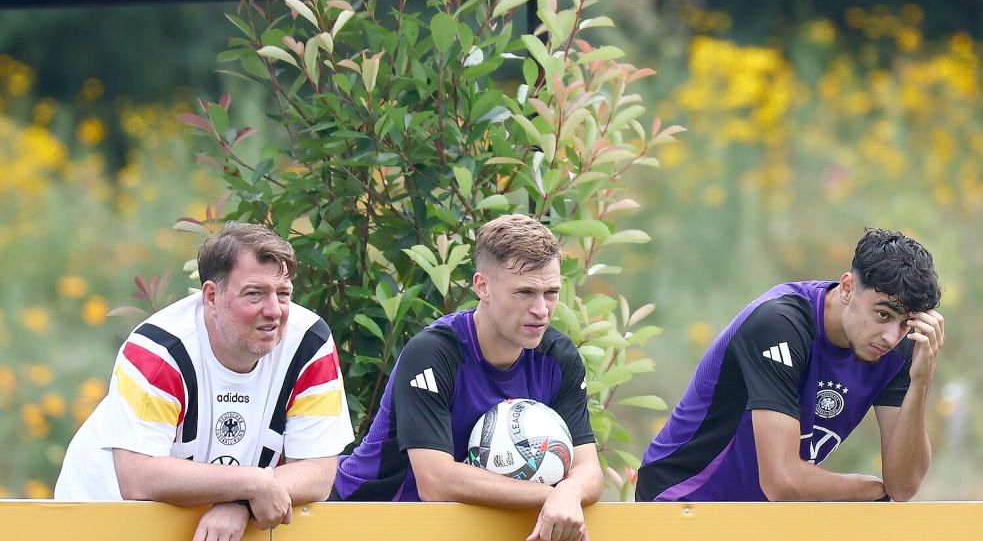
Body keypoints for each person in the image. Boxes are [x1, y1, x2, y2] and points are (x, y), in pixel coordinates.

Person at [56, 222, 355, 541]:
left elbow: (319, 472)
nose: (274, 311)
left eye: (283, 294)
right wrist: (253, 484)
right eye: (254, 294)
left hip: (209, 520)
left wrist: (243, 502)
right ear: (212, 295)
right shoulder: (157, 350)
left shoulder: (310, 343)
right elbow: (137, 478)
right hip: (105, 516)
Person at [331, 214, 604, 541]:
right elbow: (436, 482)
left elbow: (589, 470)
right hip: (362, 521)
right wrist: (553, 495)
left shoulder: (559, 357)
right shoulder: (433, 353)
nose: (541, 309)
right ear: (482, 286)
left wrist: (571, 490)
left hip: (458, 528)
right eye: (524, 292)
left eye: (551, 293)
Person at [635, 228, 944, 502]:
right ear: (848, 288)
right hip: (682, 500)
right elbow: (782, 482)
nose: (891, 336)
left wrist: (921, 382)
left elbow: (903, 487)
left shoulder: (900, 347)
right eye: (883, 314)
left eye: (906, 323)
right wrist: (872, 490)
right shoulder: (780, 325)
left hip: (763, 517)